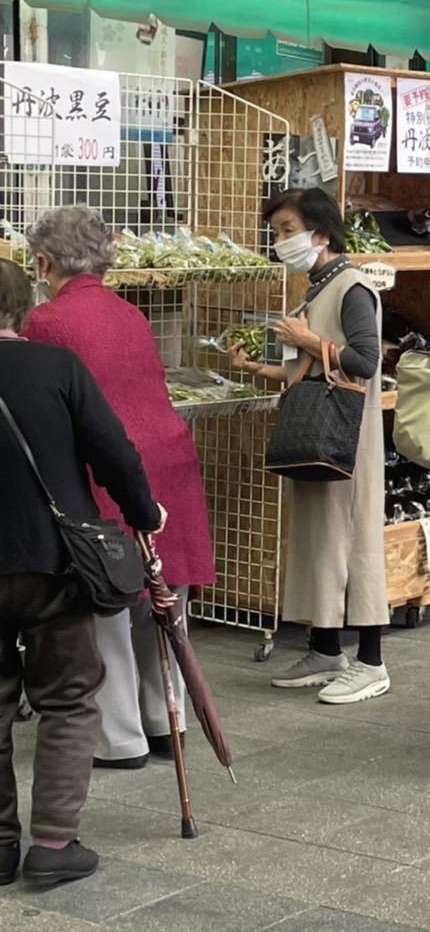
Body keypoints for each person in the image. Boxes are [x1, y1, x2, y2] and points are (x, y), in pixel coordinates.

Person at [24, 205, 216, 769]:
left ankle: (121, 739)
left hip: (105, 466)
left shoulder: (47, 322)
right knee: (163, 600)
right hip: (169, 461)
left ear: (44, 260)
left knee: (107, 602)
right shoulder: (131, 313)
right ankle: (165, 723)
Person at [0, 258, 165, 887]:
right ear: (23, 307)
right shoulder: (57, 368)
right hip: (54, 563)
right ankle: (52, 842)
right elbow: (113, 450)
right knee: (67, 699)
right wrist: (144, 513)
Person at [230, 188, 390, 704]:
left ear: (321, 233)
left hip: (347, 438)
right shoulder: (318, 288)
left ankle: (372, 662)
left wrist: (306, 341)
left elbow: (365, 362)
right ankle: (326, 649)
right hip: (320, 432)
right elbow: (313, 369)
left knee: (354, 541)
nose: (281, 241)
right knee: (319, 540)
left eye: (287, 230)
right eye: (276, 231)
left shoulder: (352, 287)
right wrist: (262, 369)